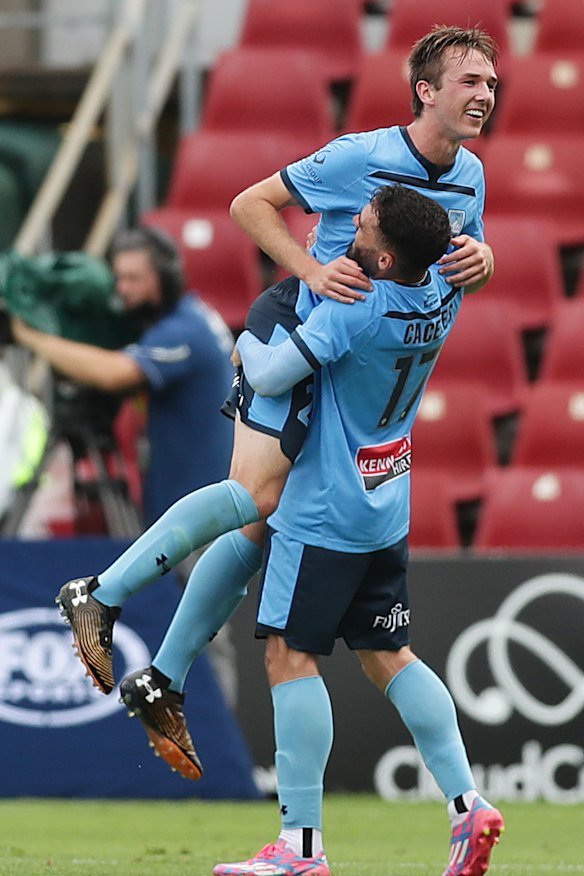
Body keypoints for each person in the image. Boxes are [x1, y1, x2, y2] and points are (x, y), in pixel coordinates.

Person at [54, 26, 497, 780]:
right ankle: (99, 593)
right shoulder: (360, 156)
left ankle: (160, 679)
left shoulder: (472, 177)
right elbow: (249, 204)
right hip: (298, 327)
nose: (485, 94)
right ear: (426, 91)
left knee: (260, 526)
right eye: (470, 81)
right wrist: (309, 270)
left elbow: (458, 262)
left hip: (341, 351)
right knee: (255, 497)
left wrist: (484, 260)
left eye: (490, 82)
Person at [213, 185, 504, 876]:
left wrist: (246, 344)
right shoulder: (442, 292)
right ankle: (467, 805)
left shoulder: (356, 306)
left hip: (323, 508)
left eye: (364, 222)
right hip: (386, 501)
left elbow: (273, 375)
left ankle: (300, 847)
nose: (348, 224)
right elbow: (462, 264)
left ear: (383, 256)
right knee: (388, 654)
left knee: (289, 656)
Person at [11, 226, 234, 526]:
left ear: (166, 279)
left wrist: (31, 336)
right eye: (119, 278)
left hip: (196, 518)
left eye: (134, 278)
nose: (123, 289)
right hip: (194, 507)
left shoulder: (183, 331)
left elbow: (113, 374)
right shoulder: (193, 315)